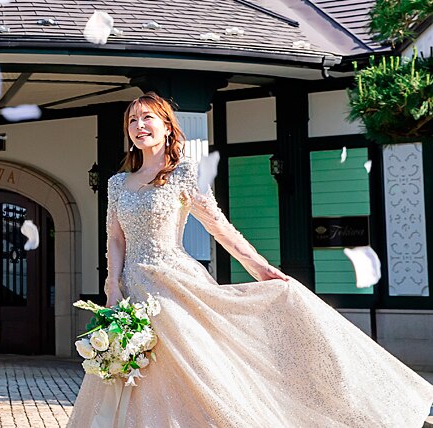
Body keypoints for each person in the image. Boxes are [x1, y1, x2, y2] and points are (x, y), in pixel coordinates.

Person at [67, 91, 433, 428]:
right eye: (132, 120)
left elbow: (219, 227)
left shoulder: (183, 176)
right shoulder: (117, 183)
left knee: (194, 364)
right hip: (132, 286)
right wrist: (112, 285)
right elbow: (115, 238)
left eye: (147, 118)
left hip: (174, 282)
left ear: (166, 127)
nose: (139, 126)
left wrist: (259, 266)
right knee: (134, 368)